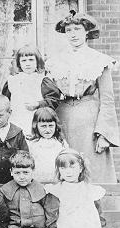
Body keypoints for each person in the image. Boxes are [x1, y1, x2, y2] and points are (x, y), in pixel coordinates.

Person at [46, 11, 120, 182]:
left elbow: (107, 100)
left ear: (86, 31)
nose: (73, 34)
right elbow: (49, 95)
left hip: (89, 122)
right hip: (62, 119)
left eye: (77, 29)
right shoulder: (55, 61)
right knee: (63, 166)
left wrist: (104, 134)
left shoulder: (100, 60)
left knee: (91, 169)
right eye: (69, 30)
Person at [45, 149, 109, 228]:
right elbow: (51, 213)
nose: (68, 172)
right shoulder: (57, 190)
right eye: (63, 168)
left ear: (81, 168)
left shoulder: (90, 189)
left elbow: (98, 212)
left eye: (72, 167)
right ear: (59, 170)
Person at [1, 45, 61, 135]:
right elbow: (4, 102)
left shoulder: (43, 80)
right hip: (16, 120)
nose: (27, 63)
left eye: (31, 60)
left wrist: (38, 104)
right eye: (24, 60)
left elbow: (53, 100)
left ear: (37, 61)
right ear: (19, 63)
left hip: (36, 121)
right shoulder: (12, 81)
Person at [27, 107, 68, 183]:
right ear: (36, 125)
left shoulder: (61, 143)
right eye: (43, 126)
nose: (48, 130)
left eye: (51, 126)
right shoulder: (32, 144)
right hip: (37, 183)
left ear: (56, 125)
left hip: (57, 182)